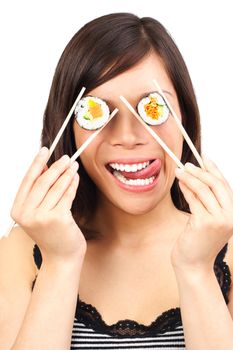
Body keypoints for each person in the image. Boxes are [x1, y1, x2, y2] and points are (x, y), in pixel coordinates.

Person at [1, 12, 233, 350]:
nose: (128, 136)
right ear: (70, 130)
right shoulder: (21, 252)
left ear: (185, 115)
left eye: (153, 108)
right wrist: (60, 262)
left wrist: (197, 268)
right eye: (96, 112)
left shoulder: (228, 253)